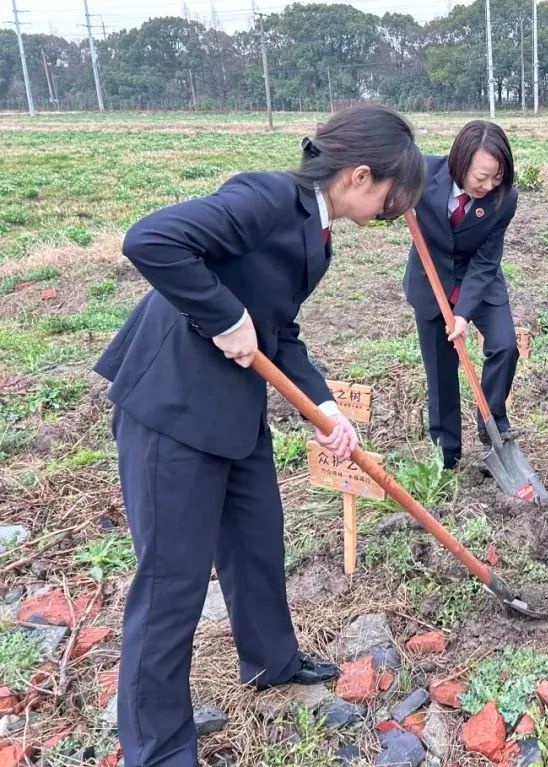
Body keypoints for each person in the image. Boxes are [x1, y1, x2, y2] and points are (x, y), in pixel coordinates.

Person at [94, 104, 425, 767]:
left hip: (231, 410)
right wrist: (223, 314)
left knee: (255, 539)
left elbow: (279, 330)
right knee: (172, 586)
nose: (393, 212)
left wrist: (325, 407)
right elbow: (150, 240)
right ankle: (157, 749)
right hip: (174, 408)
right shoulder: (268, 196)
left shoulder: (318, 234)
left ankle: (270, 659)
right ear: (361, 176)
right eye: (394, 196)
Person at [403, 120, 519, 470]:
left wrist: (464, 313)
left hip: (477, 278)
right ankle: (447, 453)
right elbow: (385, 170)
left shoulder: (504, 199)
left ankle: (492, 416)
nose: (488, 185)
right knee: (440, 372)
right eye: (480, 177)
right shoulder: (422, 173)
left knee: (505, 345)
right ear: (459, 162)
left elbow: (486, 261)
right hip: (431, 278)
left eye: (496, 177)